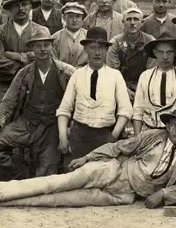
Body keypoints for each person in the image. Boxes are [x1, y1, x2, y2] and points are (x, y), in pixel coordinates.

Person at [0, 107, 176, 208]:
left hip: (125, 195)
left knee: (59, 200)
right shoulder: (154, 136)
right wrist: (87, 158)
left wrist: (163, 193)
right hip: (113, 170)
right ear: (168, 124)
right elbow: (119, 147)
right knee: (57, 182)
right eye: (173, 125)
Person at [0, 28, 76, 181]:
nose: (43, 49)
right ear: (32, 48)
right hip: (26, 124)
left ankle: (34, 177)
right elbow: (7, 103)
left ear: (52, 46)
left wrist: (70, 127)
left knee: (45, 176)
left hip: (53, 126)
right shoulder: (24, 74)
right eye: (38, 46)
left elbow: (82, 94)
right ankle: (20, 175)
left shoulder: (66, 72)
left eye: (46, 45)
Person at [56, 27, 133, 169]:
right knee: (73, 175)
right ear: (86, 49)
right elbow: (64, 109)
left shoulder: (115, 76)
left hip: (105, 136)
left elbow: (126, 110)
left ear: (106, 50)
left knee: (102, 177)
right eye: (93, 47)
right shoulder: (77, 75)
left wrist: (113, 136)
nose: (97, 52)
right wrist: (63, 138)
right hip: (79, 136)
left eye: (101, 48)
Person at [0, 0, 50, 110]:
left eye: (24, 4)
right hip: (4, 83)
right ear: (10, 9)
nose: (21, 8)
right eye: (16, 5)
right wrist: (23, 62)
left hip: (34, 83)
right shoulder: (0, 31)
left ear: (30, 7)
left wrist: (13, 55)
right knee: (0, 114)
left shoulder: (41, 31)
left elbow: (46, 59)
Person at [133, 33, 176, 135]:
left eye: (169, 52)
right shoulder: (145, 76)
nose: (165, 57)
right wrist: (137, 139)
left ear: (175, 53)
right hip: (149, 131)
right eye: (160, 52)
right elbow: (138, 110)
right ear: (155, 53)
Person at [106, 8, 157, 101]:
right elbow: (113, 73)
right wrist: (124, 90)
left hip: (146, 87)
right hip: (120, 86)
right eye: (128, 19)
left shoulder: (150, 42)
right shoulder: (115, 43)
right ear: (123, 23)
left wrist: (141, 91)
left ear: (142, 23)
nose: (132, 23)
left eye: (136, 19)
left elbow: (152, 73)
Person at [51, 2, 89, 67]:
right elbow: (53, 61)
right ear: (64, 18)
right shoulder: (55, 38)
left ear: (83, 19)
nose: (74, 20)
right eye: (71, 16)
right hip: (61, 74)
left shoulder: (89, 36)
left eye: (78, 16)